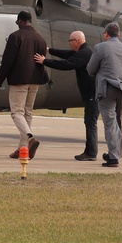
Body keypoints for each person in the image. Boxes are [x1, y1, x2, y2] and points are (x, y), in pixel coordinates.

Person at [0, 11, 48, 159]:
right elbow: (42, 60)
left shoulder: (15, 36)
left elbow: (7, 62)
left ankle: (30, 138)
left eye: (18, 22)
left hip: (19, 80)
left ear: (21, 21)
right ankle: (23, 148)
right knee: (28, 112)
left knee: (16, 112)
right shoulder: (40, 38)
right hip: (35, 80)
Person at [34, 30, 98, 161]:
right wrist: (50, 50)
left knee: (90, 123)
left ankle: (91, 153)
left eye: (70, 41)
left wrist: (44, 61)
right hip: (90, 94)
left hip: (93, 94)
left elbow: (66, 64)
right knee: (89, 122)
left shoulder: (84, 53)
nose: (69, 44)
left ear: (77, 41)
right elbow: (66, 54)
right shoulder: (83, 51)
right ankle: (90, 151)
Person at [86, 22, 122, 168]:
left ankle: (113, 157)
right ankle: (115, 152)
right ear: (119, 35)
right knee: (118, 121)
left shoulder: (100, 47)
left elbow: (90, 69)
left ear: (106, 34)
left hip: (107, 89)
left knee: (109, 122)